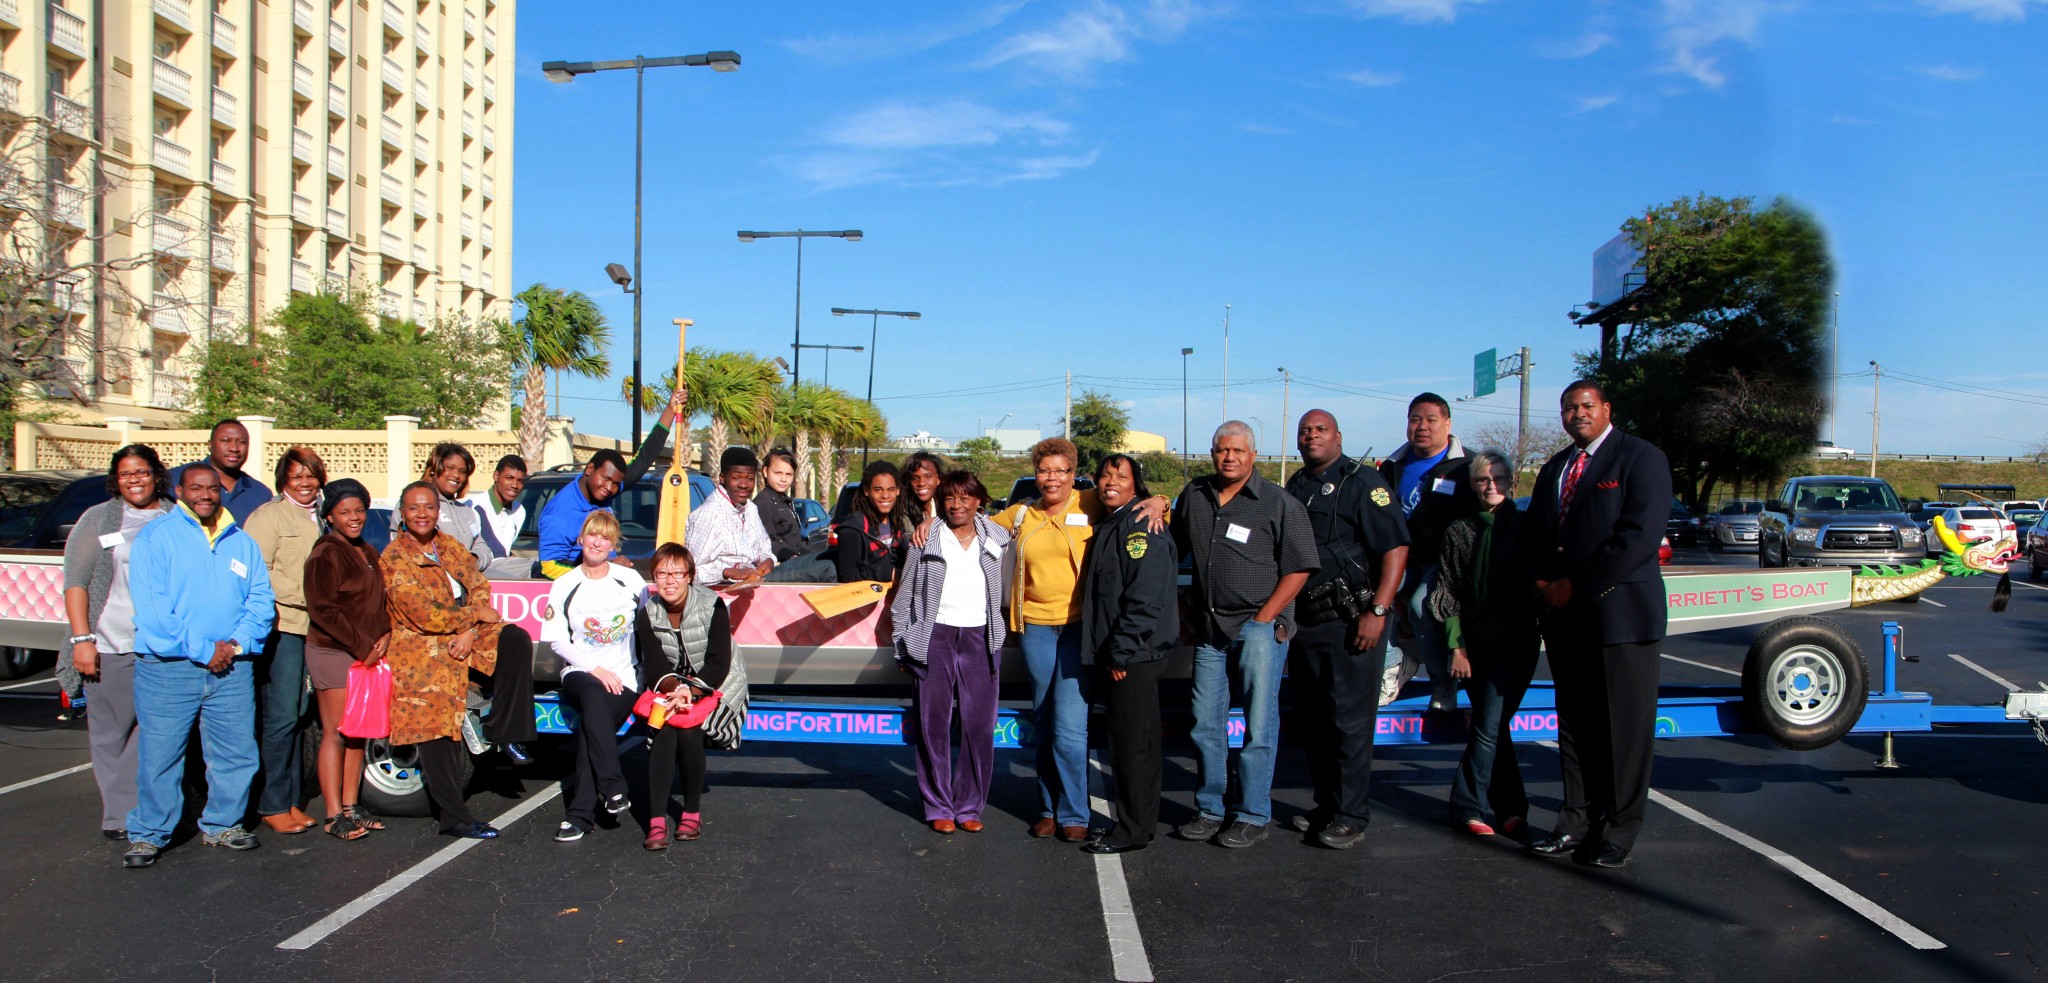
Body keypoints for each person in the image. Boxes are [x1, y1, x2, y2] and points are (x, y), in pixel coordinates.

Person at [1518, 381, 1672, 869]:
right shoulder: (1555, 467)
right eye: (1568, 407)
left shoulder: (1641, 458)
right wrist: (1543, 581)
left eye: (1586, 405)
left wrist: (1574, 586)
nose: (1577, 413)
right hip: (1566, 621)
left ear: (1606, 408)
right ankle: (1574, 821)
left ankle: (1619, 830)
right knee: (1577, 728)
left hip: (1620, 616)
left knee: (1623, 730)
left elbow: (1637, 538)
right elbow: (1540, 533)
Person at [990, 437, 1169, 842]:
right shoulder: (1021, 514)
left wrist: (1160, 499)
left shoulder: (1088, 503)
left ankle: (1074, 811)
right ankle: (1048, 808)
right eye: (1044, 470)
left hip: (1077, 631)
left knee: (1070, 726)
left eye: (1061, 470)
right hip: (1035, 629)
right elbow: (970, 522)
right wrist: (931, 522)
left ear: (1074, 474)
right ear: (1035, 474)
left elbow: (1133, 498)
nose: (1051, 478)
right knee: (1044, 719)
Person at [1170, 421, 1319, 849]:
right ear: (1212, 453)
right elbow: (1171, 547)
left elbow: (1300, 567)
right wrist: (1158, 504)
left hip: (1258, 628)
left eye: (1237, 450)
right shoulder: (1195, 496)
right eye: (1221, 450)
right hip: (1211, 629)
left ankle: (1252, 813)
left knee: (1258, 724)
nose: (1229, 457)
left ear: (1254, 454)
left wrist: (1264, 617)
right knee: (1204, 723)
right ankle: (1209, 808)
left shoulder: (1279, 503)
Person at [121, 463, 276, 869]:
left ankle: (223, 823)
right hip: (168, 667)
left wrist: (237, 644)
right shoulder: (157, 537)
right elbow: (155, 610)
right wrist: (204, 650)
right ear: (178, 490)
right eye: (196, 488)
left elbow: (260, 600)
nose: (205, 494)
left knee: (236, 752)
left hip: (232, 667)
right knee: (161, 755)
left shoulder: (240, 541)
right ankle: (149, 834)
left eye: (211, 488)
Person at [1283, 410, 1409, 850]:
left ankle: (1351, 814)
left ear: (1338, 436)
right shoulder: (1297, 485)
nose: (1311, 436)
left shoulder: (1364, 484)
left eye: (1320, 430)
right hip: (1307, 623)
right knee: (1315, 722)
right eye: (1305, 431)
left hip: (1352, 621)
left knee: (1350, 722)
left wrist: (1378, 609)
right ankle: (1326, 805)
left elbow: (1394, 548)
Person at [382, 481, 538, 838]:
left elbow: (479, 584)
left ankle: (506, 729)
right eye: (414, 508)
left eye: (429, 507)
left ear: (438, 511)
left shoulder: (448, 546)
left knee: (514, 638)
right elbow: (423, 614)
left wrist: (469, 629)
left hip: (461, 635)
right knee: (438, 728)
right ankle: (455, 817)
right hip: (422, 651)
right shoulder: (394, 558)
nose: (422, 514)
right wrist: (471, 619)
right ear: (402, 514)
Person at [60, 444, 175, 841]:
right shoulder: (98, 519)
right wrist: (81, 640)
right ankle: (119, 815)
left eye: (142, 472)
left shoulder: (175, 516)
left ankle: (151, 807)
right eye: (126, 474)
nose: (134, 480)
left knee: (153, 731)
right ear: (116, 478)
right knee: (111, 733)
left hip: (162, 646)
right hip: (110, 642)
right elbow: (76, 582)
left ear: (156, 475)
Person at [1429, 450, 1540, 840]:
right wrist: (1456, 647)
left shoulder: (1528, 527)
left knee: (1492, 725)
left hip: (1519, 641)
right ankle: (1492, 808)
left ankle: (1486, 806)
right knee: (1492, 726)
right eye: (1482, 480)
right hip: (1475, 645)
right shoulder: (1458, 531)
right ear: (1473, 485)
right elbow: (1448, 591)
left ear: (1511, 483)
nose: (1490, 486)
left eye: (1498, 479)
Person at [891, 471, 1009, 835]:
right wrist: (903, 645)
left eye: (965, 498)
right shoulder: (925, 540)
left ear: (979, 501)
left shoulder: (998, 538)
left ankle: (969, 805)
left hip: (980, 638)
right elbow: (904, 598)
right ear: (940, 502)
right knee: (933, 726)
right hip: (935, 638)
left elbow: (1027, 514)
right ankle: (938, 805)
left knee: (978, 726)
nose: (957, 505)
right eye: (949, 498)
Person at [1079, 454, 1177, 855]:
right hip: (1132, 650)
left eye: (1121, 476)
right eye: (1104, 475)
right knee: (1141, 742)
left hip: (1134, 653)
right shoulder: (1116, 521)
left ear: (1137, 485)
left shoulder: (1138, 525)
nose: (1110, 482)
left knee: (1131, 745)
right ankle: (1142, 823)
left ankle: (1132, 829)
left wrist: (1119, 653)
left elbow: (1145, 598)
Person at [541, 512, 650, 842]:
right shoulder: (565, 585)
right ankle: (613, 786)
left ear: (614, 545)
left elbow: (647, 631)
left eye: (605, 537)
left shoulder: (631, 582)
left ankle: (579, 815)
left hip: (624, 679)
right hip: (581, 673)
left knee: (594, 723)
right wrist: (594, 668)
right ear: (581, 538)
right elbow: (558, 640)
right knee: (592, 695)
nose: (597, 542)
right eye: (592, 535)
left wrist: (647, 679)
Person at [243, 446, 329, 836]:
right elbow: (255, 573)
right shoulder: (269, 517)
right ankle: (272, 803)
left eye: (310, 475)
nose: (305, 483)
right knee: (279, 718)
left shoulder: (323, 518)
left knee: (298, 716)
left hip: (316, 629)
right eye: (297, 477)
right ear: (283, 480)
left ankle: (292, 798)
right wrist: (307, 592)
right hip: (284, 627)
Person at [1377, 393, 1478, 711]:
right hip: (1401, 557)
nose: (1422, 426)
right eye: (1415, 419)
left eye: (1431, 420)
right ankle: (1394, 667)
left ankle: (1443, 684)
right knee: (1375, 598)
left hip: (1444, 562)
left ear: (1447, 424)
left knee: (1423, 604)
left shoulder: (1467, 466)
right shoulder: (1392, 466)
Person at [303, 478, 389, 841]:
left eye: (358, 511)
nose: (353, 518)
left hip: (366, 654)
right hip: (334, 652)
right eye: (344, 512)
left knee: (358, 734)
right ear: (330, 516)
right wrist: (362, 646)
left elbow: (379, 602)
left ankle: (352, 807)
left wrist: (383, 635)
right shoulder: (325, 553)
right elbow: (323, 610)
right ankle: (333, 813)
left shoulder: (368, 552)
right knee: (336, 732)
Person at [635, 544, 733, 849]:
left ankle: (691, 811)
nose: (670, 580)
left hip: (717, 685)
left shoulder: (713, 604)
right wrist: (675, 691)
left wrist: (689, 691)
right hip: (669, 688)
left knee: (688, 728)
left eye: (677, 573)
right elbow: (655, 666)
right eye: (662, 573)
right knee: (666, 725)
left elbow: (720, 662)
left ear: (690, 576)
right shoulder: (647, 614)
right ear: (653, 577)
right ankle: (656, 819)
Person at [536, 388, 687, 578]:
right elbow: (549, 567)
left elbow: (643, 459)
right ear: (589, 469)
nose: (609, 488)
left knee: (668, 567)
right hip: (585, 586)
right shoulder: (560, 511)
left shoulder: (603, 491)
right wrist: (605, 569)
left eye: (615, 483)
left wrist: (670, 409)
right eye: (606, 479)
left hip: (610, 572)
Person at [684, 447, 776, 588]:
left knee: (816, 563)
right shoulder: (709, 515)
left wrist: (768, 560)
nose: (744, 485)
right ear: (722, 478)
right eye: (736, 478)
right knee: (821, 570)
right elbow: (688, 573)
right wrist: (727, 573)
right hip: (725, 589)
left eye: (750, 478)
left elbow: (764, 548)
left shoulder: (750, 508)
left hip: (759, 579)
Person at [392, 443, 487, 564]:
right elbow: (400, 542)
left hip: (466, 578)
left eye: (462, 471)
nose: (456, 475)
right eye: (450, 468)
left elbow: (482, 546)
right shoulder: (412, 502)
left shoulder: (467, 512)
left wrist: (473, 560)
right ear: (434, 469)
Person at [170, 420, 272, 523]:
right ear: (210, 445)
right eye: (226, 441)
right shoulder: (174, 479)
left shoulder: (261, 493)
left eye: (241, 442)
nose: (234, 448)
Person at [833, 461, 909, 585]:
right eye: (878, 490)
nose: (885, 495)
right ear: (867, 491)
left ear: (898, 491)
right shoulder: (852, 530)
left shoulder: (897, 524)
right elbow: (847, 576)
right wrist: (889, 573)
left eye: (891, 489)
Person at [468, 454, 532, 578]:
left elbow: (505, 553)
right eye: (509, 478)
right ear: (496, 476)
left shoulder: (519, 510)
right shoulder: (474, 507)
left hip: (505, 567)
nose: (515, 485)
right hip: (481, 571)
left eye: (520, 481)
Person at [754, 448, 805, 563]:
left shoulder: (784, 500)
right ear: (766, 472)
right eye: (778, 473)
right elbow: (765, 541)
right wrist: (790, 556)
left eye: (788, 474)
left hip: (792, 563)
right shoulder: (764, 502)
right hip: (777, 567)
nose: (783, 479)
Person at [902, 451, 947, 526]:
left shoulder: (947, 509)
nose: (921, 483)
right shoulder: (902, 514)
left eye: (928, 476)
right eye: (915, 478)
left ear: (938, 479)